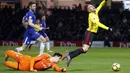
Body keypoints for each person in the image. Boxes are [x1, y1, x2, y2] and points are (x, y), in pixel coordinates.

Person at [62, 0, 112, 67]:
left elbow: (101, 5)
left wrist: (105, 0)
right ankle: (70, 56)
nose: (92, 6)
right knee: (85, 49)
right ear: (89, 10)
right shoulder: (91, 15)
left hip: (92, 33)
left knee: (85, 50)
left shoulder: (96, 11)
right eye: (90, 7)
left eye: (92, 6)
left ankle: (69, 54)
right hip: (89, 33)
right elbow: (97, 23)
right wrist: (107, 28)